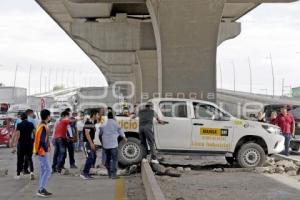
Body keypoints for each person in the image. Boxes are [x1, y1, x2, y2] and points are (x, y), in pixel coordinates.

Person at [99, 111, 127, 179]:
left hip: (106, 144)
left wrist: (102, 142)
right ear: (113, 116)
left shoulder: (104, 124)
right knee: (115, 159)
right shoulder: (115, 123)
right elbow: (120, 131)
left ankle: (109, 174)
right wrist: (124, 137)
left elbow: (100, 134)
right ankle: (114, 174)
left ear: (108, 116)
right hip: (113, 144)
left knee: (108, 159)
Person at [33, 109, 52, 197]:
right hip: (42, 151)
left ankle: (41, 188)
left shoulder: (41, 125)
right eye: (50, 115)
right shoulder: (43, 126)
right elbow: (42, 141)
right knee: (48, 170)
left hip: (39, 151)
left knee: (44, 170)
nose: (50, 117)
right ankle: (41, 189)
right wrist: (44, 150)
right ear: (48, 116)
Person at [12, 112, 35, 180]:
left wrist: (14, 144)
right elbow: (35, 133)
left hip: (21, 143)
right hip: (29, 143)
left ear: (21, 118)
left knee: (20, 159)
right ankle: (31, 172)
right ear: (27, 117)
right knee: (30, 158)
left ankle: (18, 175)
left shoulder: (19, 124)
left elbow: (17, 135)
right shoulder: (31, 124)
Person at [80, 109, 99, 180]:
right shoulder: (88, 122)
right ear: (94, 115)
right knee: (90, 157)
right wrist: (91, 144)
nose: (98, 116)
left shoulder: (92, 122)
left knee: (94, 156)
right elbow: (87, 134)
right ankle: (84, 173)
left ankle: (87, 172)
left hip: (91, 142)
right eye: (97, 114)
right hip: (87, 143)